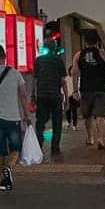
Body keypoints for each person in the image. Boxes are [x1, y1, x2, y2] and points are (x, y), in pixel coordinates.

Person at [0, 44, 32, 192]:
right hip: (13, 118)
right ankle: (8, 169)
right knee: (15, 149)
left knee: (0, 151)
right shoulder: (15, 73)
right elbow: (22, 95)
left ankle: (4, 180)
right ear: (4, 57)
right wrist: (26, 115)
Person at [71, 30, 105, 150]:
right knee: (100, 115)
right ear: (97, 41)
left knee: (87, 114)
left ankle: (90, 137)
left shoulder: (78, 55)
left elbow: (74, 73)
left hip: (86, 89)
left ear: (85, 41)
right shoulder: (103, 54)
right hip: (102, 88)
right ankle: (100, 139)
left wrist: (75, 90)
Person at [33, 30, 68, 161]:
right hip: (55, 95)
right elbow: (63, 81)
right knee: (57, 123)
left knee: (40, 122)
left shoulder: (38, 60)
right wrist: (66, 97)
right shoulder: (58, 61)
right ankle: (55, 149)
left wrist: (33, 95)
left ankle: (38, 146)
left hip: (42, 95)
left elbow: (35, 80)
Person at [64, 66, 79, 130]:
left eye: (74, 70)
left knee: (74, 111)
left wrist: (78, 96)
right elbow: (64, 88)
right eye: (71, 70)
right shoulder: (66, 78)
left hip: (74, 97)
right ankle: (68, 122)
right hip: (68, 96)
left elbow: (79, 88)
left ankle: (74, 125)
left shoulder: (77, 79)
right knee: (68, 110)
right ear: (69, 71)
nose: (72, 71)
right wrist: (64, 97)